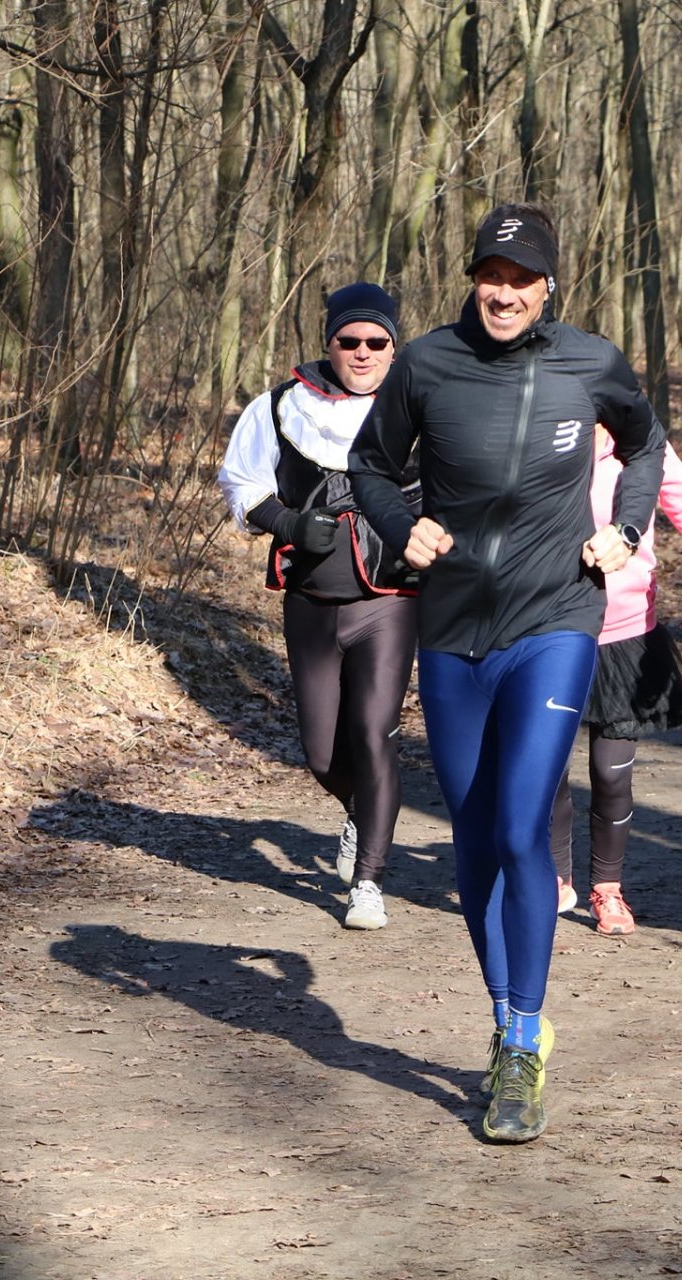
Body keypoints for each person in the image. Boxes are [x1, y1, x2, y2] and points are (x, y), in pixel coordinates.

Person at [350, 203, 666, 1143]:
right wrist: (401, 527)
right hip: (452, 632)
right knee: (476, 836)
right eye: (492, 274)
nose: (504, 292)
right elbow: (370, 467)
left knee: (525, 822)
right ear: (474, 280)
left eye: (522, 279)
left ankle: (524, 1042)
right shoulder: (426, 364)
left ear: (547, 287)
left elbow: (646, 444)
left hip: (556, 620)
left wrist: (627, 528)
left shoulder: (590, 362)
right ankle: (506, 1020)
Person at [217, 282, 415, 932]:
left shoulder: (420, 407)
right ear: (329, 343)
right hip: (310, 600)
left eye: (377, 341)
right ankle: (361, 812)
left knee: (374, 734)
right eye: (349, 340)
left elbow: (461, 486)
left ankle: (369, 883)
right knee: (321, 755)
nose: (363, 352)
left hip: (389, 599)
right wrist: (289, 523)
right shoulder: (280, 405)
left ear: (394, 346)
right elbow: (242, 481)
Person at [549, 428, 682, 936]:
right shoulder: (541, 430)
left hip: (624, 633)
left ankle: (608, 888)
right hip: (549, 629)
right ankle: (554, 877)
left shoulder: (641, 442)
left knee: (611, 773)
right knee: (547, 768)